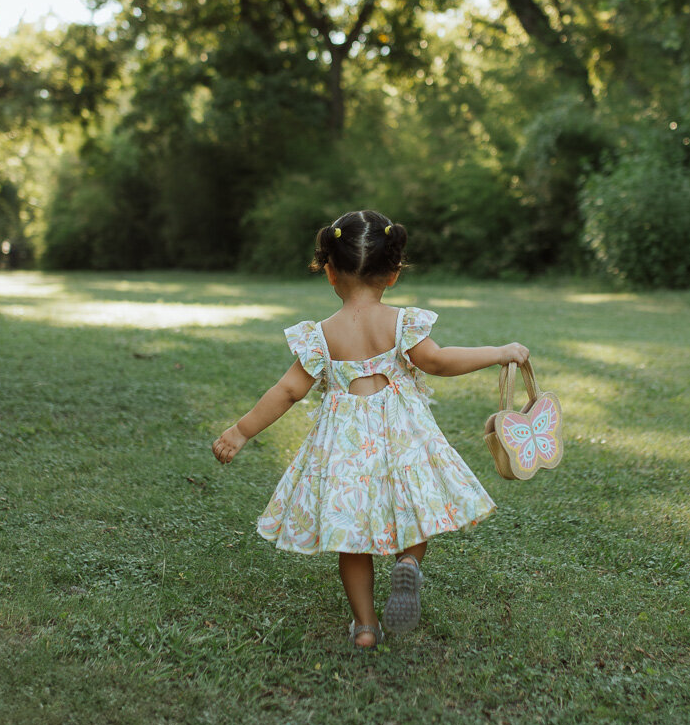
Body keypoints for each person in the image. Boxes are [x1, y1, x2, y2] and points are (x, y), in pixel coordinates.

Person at [212, 208, 529, 650]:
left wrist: (241, 431)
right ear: (393, 274)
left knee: (350, 535)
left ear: (329, 272)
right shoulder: (400, 323)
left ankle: (365, 626)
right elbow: (438, 362)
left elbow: (287, 391)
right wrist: (500, 351)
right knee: (416, 511)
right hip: (403, 435)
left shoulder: (321, 334)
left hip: (344, 444)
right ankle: (409, 566)